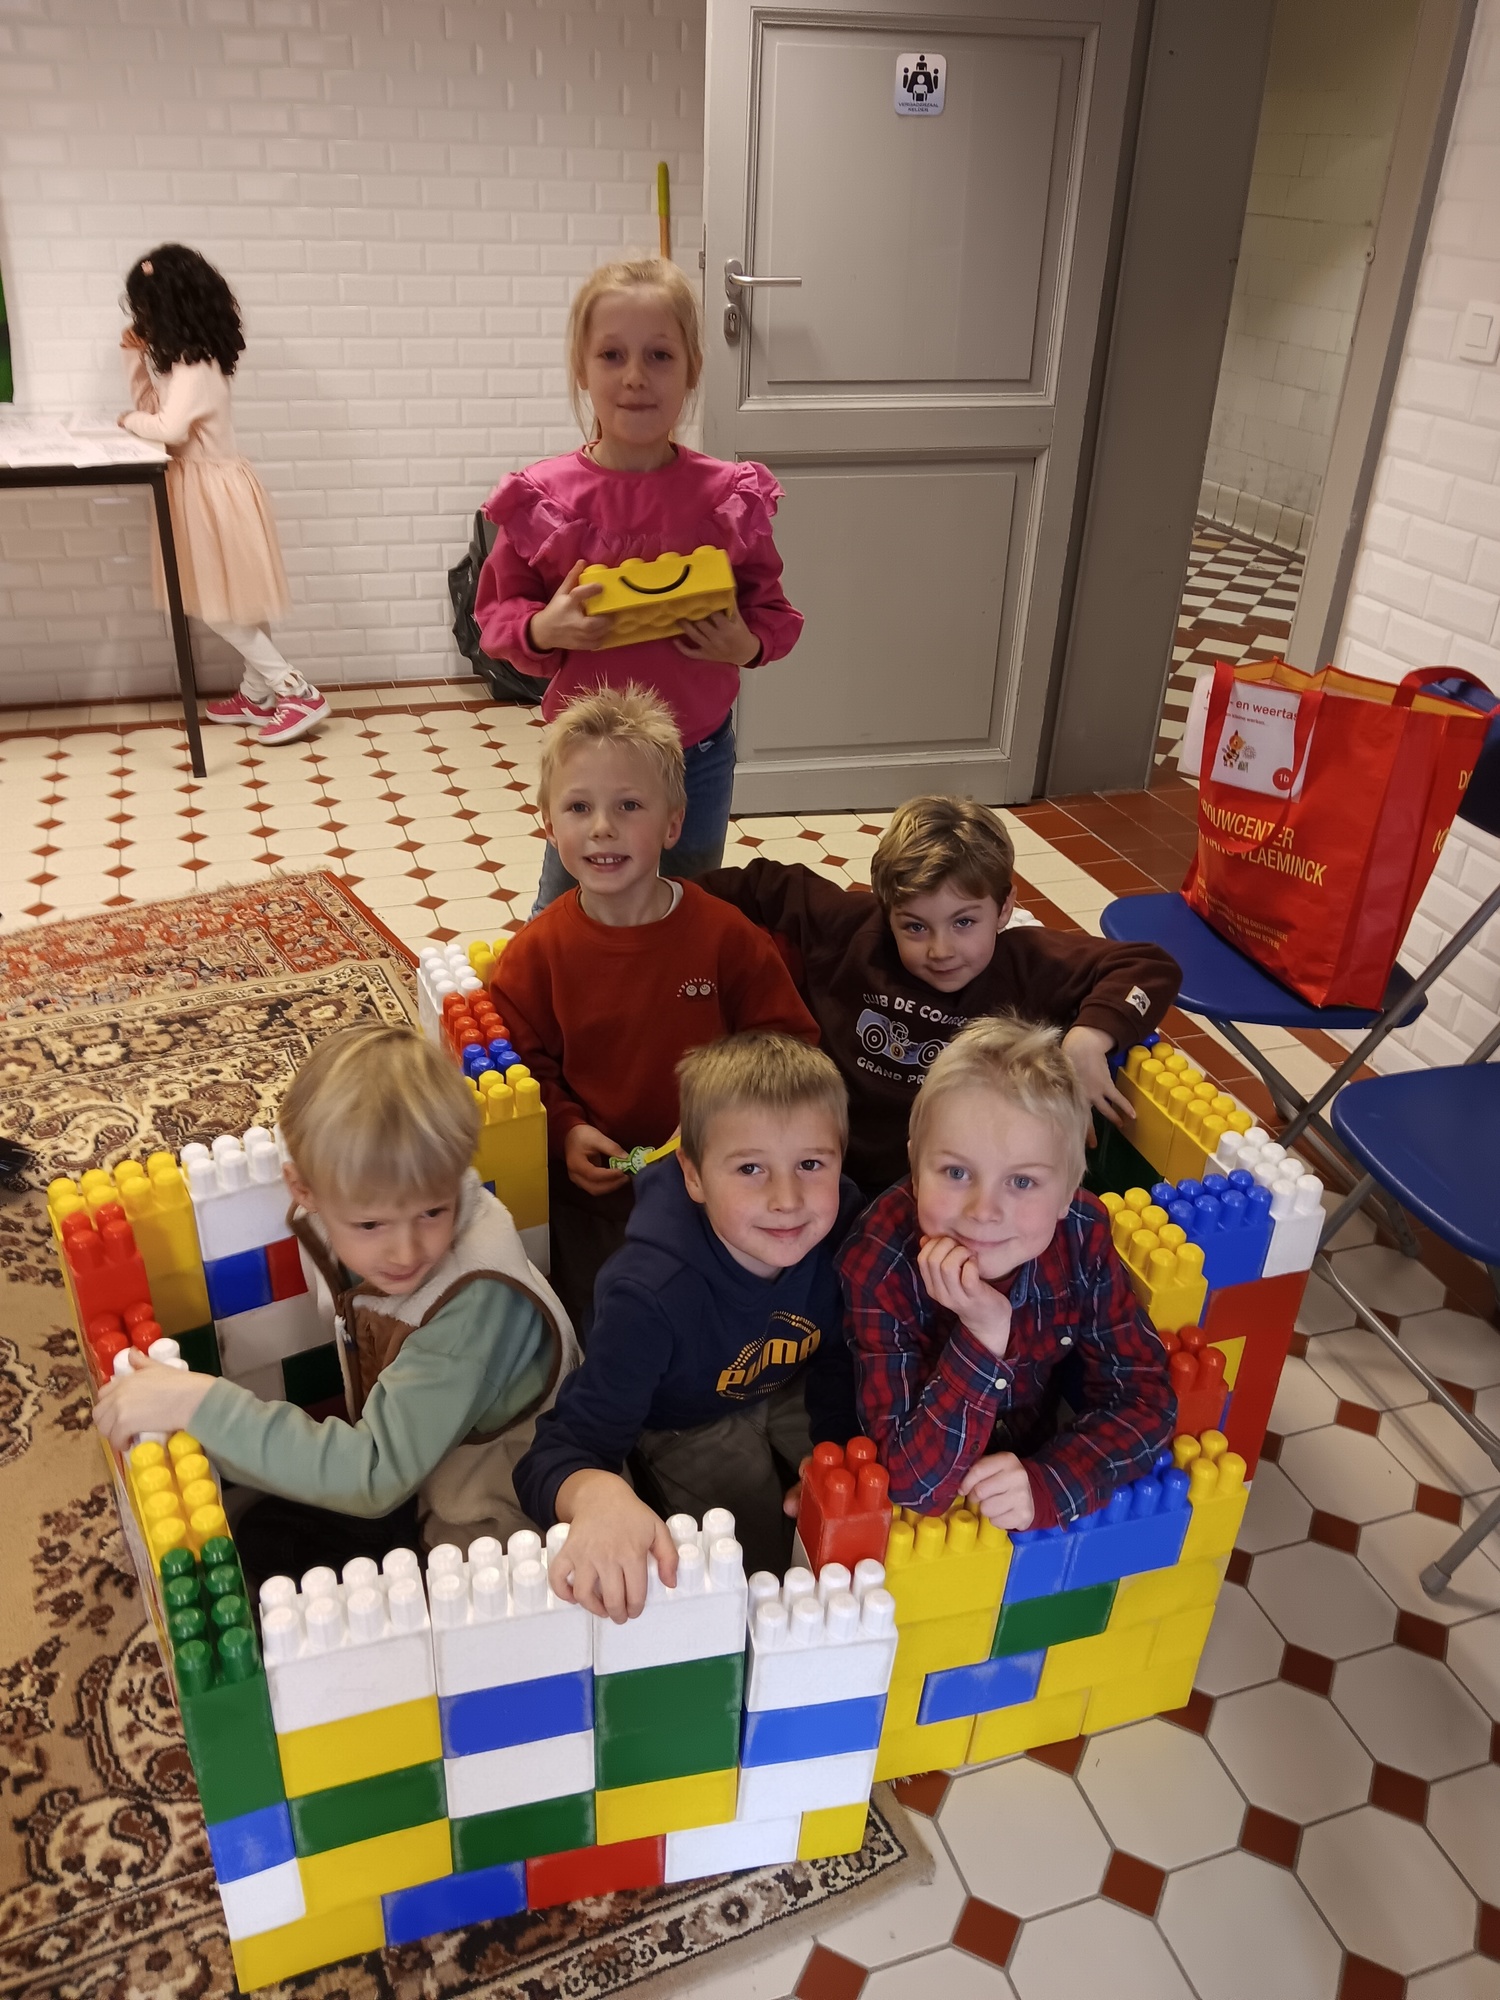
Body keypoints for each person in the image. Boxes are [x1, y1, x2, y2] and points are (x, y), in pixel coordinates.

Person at [92, 1025, 577, 1591]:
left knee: (273, 1571)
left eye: (432, 1212)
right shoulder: (355, 1197)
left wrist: (198, 1404)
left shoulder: (467, 1311)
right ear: (304, 1190)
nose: (406, 1251)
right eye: (370, 1224)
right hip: (422, 1470)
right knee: (262, 1526)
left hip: (500, 1534)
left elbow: (374, 1476)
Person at [474, 256, 802, 909]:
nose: (634, 377)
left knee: (688, 907)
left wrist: (744, 644)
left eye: (659, 355)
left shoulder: (727, 497)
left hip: (695, 756)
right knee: (565, 915)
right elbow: (495, 616)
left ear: (692, 370)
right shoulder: (545, 500)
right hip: (587, 763)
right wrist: (544, 628)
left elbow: (774, 613)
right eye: (611, 355)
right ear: (581, 368)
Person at [491, 685, 818, 1338]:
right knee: (602, 1325)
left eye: (629, 805)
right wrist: (567, 1131)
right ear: (549, 824)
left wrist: (725, 1132)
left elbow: (791, 1049)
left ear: (672, 824)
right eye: (579, 807)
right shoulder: (536, 955)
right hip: (598, 1196)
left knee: (744, 1318)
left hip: (719, 1184)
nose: (602, 827)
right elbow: (523, 1064)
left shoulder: (726, 938)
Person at [516, 1032, 863, 1611]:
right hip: (678, 1419)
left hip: (787, 1382)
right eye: (750, 1168)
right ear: (694, 1176)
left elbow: (840, 1357)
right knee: (748, 1566)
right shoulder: (648, 1295)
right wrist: (598, 1495)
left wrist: (835, 1448)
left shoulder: (843, 1230)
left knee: (869, 1506)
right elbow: (558, 1451)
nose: (786, 1198)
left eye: (810, 1164)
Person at [704, 795, 1180, 1197]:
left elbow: (1150, 966)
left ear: (1005, 907)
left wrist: (1087, 1040)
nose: (941, 950)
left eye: (964, 922)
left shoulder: (1027, 962)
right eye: (914, 926)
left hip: (943, 1191)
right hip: (817, 1166)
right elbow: (759, 884)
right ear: (887, 909)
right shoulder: (849, 926)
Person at [840, 1014, 1175, 1531]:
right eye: (956, 1172)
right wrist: (983, 1334)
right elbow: (913, 1485)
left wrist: (1052, 1481)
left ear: (1068, 1193)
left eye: (1021, 1181)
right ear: (916, 1167)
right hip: (911, 1505)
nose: (984, 1211)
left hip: (1027, 1467)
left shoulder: (1081, 1234)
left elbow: (1145, 1394)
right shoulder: (878, 1260)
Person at [117, 245, 328, 746]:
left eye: (146, 309)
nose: (142, 320)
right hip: (209, 488)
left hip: (208, 492)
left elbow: (166, 429)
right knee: (238, 598)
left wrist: (127, 421)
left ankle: (294, 690)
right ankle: (258, 692)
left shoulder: (194, 369)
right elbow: (157, 411)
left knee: (215, 604)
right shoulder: (186, 366)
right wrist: (134, 360)